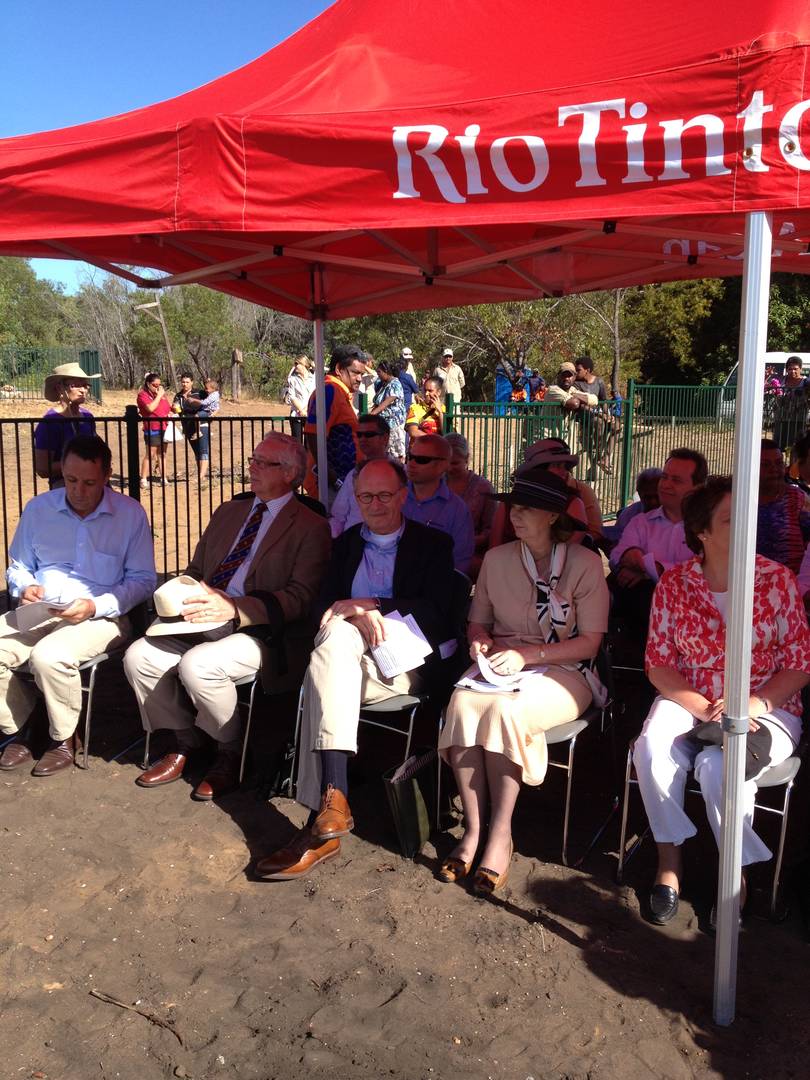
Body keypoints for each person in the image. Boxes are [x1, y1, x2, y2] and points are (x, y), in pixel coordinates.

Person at [254, 458, 456, 880]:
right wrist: (351, 620)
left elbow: (441, 613)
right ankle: (331, 807)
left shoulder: (432, 544)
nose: (375, 504)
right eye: (365, 496)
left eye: (385, 495)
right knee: (333, 651)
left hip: (406, 663)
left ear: (403, 496)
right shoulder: (344, 544)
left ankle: (322, 818)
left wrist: (373, 606)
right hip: (348, 661)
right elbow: (320, 611)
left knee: (321, 674)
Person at [633, 476, 810, 925]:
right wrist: (697, 705)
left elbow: (798, 664)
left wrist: (752, 705)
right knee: (651, 748)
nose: (746, 524)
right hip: (692, 695)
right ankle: (670, 862)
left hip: (767, 705)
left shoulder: (777, 580)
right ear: (703, 532)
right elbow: (658, 663)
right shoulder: (675, 584)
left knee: (719, 766)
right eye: (732, 518)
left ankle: (736, 876)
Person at [124, 432, 331, 800]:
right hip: (201, 617)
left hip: (262, 631)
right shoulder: (230, 510)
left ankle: (228, 749)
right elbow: (195, 568)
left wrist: (236, 609)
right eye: (252, 459)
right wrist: (187, 593)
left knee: (198, 666)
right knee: (138, 657)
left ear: (289, 473)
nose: (250, 467)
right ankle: (185, 741)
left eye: (261, 462)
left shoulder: (311, 526)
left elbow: (301, 598)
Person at [437, 468, 608, 894]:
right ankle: (473, 830)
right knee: (461, 700)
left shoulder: (586, 564)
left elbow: (589, 644)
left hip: (567, 669)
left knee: (506, 710)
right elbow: (477, 623)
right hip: (504, 664)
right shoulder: (497, 560)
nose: (514, 515)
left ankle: (500, 833)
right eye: (513, 506)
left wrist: (528, 655)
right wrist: (479, 644)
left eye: (527, 508)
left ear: (552, 516)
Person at [0, 436, 156, 775]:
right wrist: (25, 585)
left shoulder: (129, 515)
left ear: (107, 476)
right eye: (71, 480)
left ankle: (63, 738)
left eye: (89, 482)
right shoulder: (40, 509)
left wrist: (95, 606)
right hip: (41, 609)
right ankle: (27, 723)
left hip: (102, 615)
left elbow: (144, 580)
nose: (78, 491)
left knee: (49, 657)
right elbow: (18, 565)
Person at [609, 448, 707, 636]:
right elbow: (617, 556)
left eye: (676, 480)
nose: (665, 485)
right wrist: (645, 564)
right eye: (665, 477)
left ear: (697, 487)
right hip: (643, 621)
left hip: (694, 617)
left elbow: (704, 572)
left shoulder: (709, 526)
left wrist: (649, 570)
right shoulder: (641, 522)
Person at [488, 439, 598, 551]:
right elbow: (494, 547)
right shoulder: (507, 504)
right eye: (557, 466)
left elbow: (566, 554)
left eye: (565, 466)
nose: (565, 472)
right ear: (539, 469)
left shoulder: (572, 503)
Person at [304, 344, 366, 506]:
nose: (360, 378)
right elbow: (313, 434)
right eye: (355, 373)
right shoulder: (329, 390)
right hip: (330, 489)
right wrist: (334, 479)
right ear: (339, 369)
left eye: (362, 374)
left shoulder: (338, 391)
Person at [404, 434, 474, 573]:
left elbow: (460, 563)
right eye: (410, 457)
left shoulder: (457, 510)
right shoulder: (392, 498)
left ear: (443, 465)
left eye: (421, 460)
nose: (411, 464)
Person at [34, 362, 99, 488]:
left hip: (94, 479)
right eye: (75, 386)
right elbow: (42, 469)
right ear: (60, 388)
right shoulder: (50, 422)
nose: (83, 390)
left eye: (85, 386)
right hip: (64, 484)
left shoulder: (88, 416)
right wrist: (79, 463)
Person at [329, 414, 391, 537]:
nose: (363, 439)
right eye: (359, 435)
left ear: (385, 438)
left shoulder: (401, 474)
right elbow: (338, 517)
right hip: (352, 546)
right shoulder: (352, 475)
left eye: (369, 435)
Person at [757, 438, 810, 575]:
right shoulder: (735, 500)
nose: (774, 469)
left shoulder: (798, 499)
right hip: (745, 586)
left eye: (779, 463)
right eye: (765, 464)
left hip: (790, 587)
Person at [445, 432, 495, 576]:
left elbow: (490, 529)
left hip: (471, 555)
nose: (449, 468)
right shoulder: (436, 483)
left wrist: (466, 542)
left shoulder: (483, 488)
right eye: (445, 462)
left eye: (455, 463)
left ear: (467, 459)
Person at [573, 354, 617, 476]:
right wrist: (603, 416)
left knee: (617, 426)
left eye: (578, 370)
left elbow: (603, 401)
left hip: (599, 414)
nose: (576, 373)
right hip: (585, 416)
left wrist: (609, 415)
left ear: (587, 370)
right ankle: (597, 456)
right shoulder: (576, 384)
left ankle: (606, 458)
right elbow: (583, 406)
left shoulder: (599, 382)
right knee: (599, 423)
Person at [603, 467, 663, 544]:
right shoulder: (629, 514)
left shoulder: (675, 514)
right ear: (639, 493)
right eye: (648, 497)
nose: (653, 502)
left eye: (657, 496)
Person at [137, 371, 173, 489]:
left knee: (162, 454)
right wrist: (158, 396)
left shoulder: (161, 395)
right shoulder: (143, 395)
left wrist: (174, 410)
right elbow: (150, 408)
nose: (158, 387)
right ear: (148, 384)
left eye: (159, 385)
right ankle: (143, 479)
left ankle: (164, 478)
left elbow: (167, 407)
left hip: (164, 426)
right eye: (155, 385)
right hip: (152, 428)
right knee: (150, 454)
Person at [172, 372, 210, 484]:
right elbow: (176, 409)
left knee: (203, 450)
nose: (185, 384)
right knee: (197, 452)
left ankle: (201, 476)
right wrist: (174, 409)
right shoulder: (178, 396)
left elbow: (210, 404)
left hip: (201, 424)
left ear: (192, 382)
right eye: (183, 382)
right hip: (187, 426)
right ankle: (201, 475)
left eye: (187, 382)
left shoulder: (200, 393)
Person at [369, 360, 407, 461]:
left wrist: (373, 414)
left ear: (386, 371)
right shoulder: (384, 385)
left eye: (379, 372)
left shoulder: (395, 384)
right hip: (385, 424)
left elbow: (387, 401)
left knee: (396, 453)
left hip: (394, 423)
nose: (378, 375)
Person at [772, 356, 810, 451]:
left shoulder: (806, 382)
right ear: (786, 369)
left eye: (795, 369)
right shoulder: (780, 381)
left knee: (797, 448)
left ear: (801, 369)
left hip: (799, 421)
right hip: (780, 419)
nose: (792, 371)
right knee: (778, 447)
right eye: (790, 369)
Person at [283, 356, 315, 441]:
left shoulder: (314, 378)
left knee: (309, 443)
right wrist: (301, 410)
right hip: (296, 415)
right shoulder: (292, 379)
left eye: (297, 364)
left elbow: (315, 395)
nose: (295, 366)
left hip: (311, 414)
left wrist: (306, 409)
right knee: (297, 443)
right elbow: (292, 397)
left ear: (304, 364)